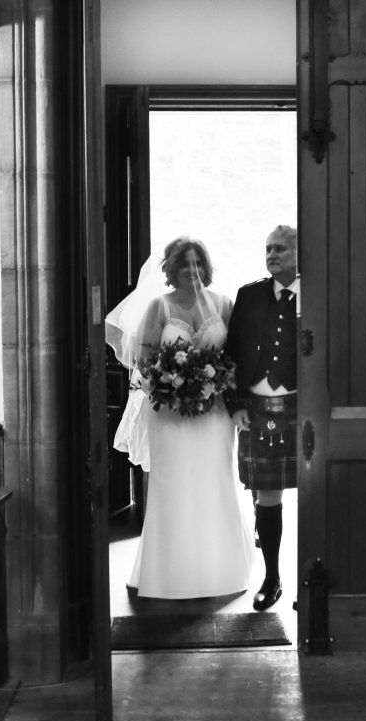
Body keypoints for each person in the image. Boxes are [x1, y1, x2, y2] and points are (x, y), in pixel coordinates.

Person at [106, 237, 254, 599]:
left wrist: (212, 382)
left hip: (215, 413)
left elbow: (237, 356)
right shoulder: (160, 306)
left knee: (213, 482)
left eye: (198, 263)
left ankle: (218, 569)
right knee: (173, 486)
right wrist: (173, 381)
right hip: (169, 414)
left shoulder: (224, 304)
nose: (192, 270)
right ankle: (169, 572)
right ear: (171, 269)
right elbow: (143, 359)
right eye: (184, 263)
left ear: (206, 266)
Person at [225, 225, 299, 612]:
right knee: (268, 497)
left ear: (301, 254)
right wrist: (233, 403)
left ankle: (313, 585)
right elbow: (232, 354)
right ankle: (272, 579)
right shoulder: (249, 295)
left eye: (281, 249)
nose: (272, 255)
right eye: (268, 249)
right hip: (257, 409)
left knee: (319, 494)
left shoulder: (319, 292)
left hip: (304, 410)